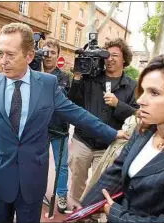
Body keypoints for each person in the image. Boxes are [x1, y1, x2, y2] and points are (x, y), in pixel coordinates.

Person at [0, 22, 128, 223]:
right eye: (0, 53)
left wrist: (113, 133)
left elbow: (76, 114)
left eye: (10, 55)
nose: (3, 61)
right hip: (2, 175)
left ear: (29, 56)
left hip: (33, 178)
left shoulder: (47, 83)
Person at [81, 54, 164, 223]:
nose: (140, 100)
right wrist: (82, 212)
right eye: (143, 90)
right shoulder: (143, 132)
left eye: (154, 93)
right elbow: (115, 173)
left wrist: (116, 215)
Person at [68, 38, 139, 202]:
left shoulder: (132, 86)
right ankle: (76, 212)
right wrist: (77, 78)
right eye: (107, 55)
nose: (110, 59)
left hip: (109, 145)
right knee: (77, 182)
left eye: (115, 55)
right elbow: (73, 103)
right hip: (83, 141)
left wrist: (118, 104)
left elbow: (137, 115)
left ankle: (91, 213)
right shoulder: (91, 79)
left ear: (124, 60)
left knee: (100, 186)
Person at [42, 39, 70, 213]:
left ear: (58, 55)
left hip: (59, 128)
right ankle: (38, 191)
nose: (49, 56)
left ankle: (61, 194)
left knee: (62, 165)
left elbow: (62, 101)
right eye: (46, 52)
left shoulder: (64, 77)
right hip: (39, 129)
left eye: (53, 52)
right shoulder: (33, 72)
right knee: (39, 163)